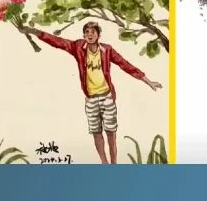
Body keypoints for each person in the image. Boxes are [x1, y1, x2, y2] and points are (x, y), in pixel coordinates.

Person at [19, 22, 163, 164]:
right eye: (87, 32)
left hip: (107, 97)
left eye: (93, 32)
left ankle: (114, 164)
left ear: (98, 35)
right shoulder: (78, 47)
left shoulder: (107, 50)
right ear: (83, 35)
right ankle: (104, 163)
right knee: (96, 132)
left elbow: (125, 64)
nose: (89, 35)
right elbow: (58, 42)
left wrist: (147, 80)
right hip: (91, 99)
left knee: (111, 133)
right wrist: (33, 31)